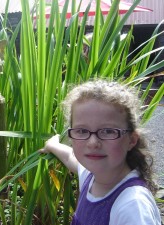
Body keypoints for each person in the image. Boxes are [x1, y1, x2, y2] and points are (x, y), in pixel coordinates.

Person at [40, 80, 161, 225]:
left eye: (108, 131)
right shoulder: (91, 177)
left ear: (132, 140)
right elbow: (70, 157)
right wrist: (52, 145)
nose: (92, 143)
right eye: (82, 131)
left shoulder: (132, 207)